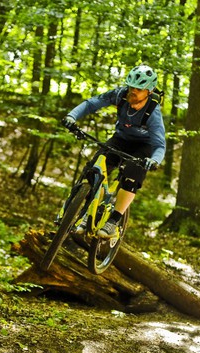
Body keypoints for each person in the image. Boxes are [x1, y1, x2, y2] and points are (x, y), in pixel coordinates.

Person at [62, 65, 166, 239]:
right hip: (120, 139)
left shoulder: (152, 112)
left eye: (138, 89)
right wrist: (72, 116)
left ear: (149, 91)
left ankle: (114, 220)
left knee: (132, 176)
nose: (132, 92)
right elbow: (92, 103)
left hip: (143, 146)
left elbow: (159, 145)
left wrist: (154, 160)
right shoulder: (120, 95)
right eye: (131, 87)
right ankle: (88, 213)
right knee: (94, 171)